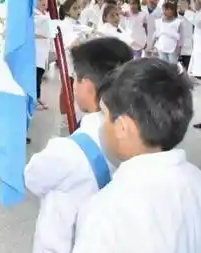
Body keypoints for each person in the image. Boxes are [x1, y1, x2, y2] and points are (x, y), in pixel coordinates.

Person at [72, 59, 201, 253]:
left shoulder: (106, 209)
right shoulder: (199, 183)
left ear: (122, 128)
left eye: (105, 115)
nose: (101, 125)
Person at [24, 37, 132, 253]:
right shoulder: (140, 136)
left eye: (75, 79)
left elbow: (32, 178)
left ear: (88, 86)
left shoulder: (65, 152)